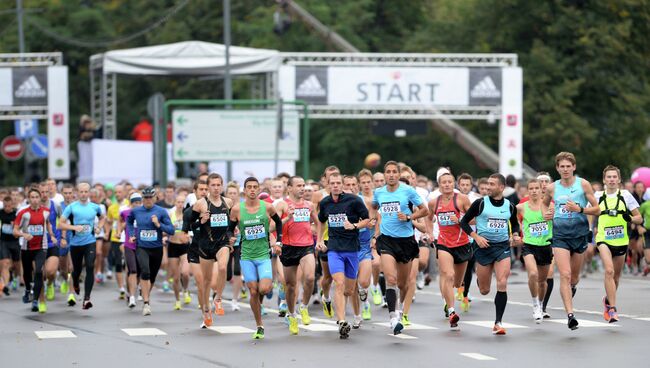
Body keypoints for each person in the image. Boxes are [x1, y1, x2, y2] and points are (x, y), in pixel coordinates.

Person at [542, 152, 599, 330]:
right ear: (557, 168)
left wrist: (579, 209)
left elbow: (597, 209)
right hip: (560, 236)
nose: (565, 169)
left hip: (579, 235)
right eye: (562, 166)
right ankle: (570, 315)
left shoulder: (583, 184)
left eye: (568, 166)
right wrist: (547, 213)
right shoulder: (552, 188)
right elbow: (544, 204)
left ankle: (572, 288)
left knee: (574, 277)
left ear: (573, 167)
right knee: (564, 275)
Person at [460, 173, 521, 335]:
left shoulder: (509, 205)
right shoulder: (480, 204)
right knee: (485, 290)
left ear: (501, 187)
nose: (488, 187)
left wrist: (515, 235)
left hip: (502, 247)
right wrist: (476, 237)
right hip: (483, 247)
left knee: (502, 282)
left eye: (492, 184)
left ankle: (498, 322)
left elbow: (515, 224)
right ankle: (481, 280)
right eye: (488, 184)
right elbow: (464, 222)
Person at [372, 161, 428, 335]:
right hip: (387, 240)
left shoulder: (408, 191)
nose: (390, 175)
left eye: (394, 172)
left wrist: (409, 217)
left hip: (406, 241)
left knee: (403, 284)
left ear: (398, 174)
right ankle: (393, 317)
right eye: (387, 172)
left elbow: (424, 210)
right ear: (384, 174)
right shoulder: (379, 192)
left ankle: (402, 309)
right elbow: (373, 209)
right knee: (391, 279)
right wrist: (375, 232)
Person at [229, 177, 284, 340]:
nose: (252, 190)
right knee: (253, 290)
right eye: (249, 187)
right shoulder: (237, 210)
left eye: (255, 187)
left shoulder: (267, 207)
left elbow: (279, 223)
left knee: (264, 289)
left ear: (259, 189)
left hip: (263, 255)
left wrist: (278, 241)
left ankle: (265, 290)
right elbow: (229, 229)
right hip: (246, 256)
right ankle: (259, 325)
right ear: (244, 190)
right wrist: (230, 238)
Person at [317, 173, 370, 338]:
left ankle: (349, 313)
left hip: (352, 250)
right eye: (332, 183)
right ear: (328, 184)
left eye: (338, 183)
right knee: (338, 284)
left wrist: (354, 225)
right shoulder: (325, 203)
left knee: (349, 289)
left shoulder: (354, 200)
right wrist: (320, 239)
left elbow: (367, 220)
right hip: (334, 250)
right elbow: (321, 220)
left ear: (342, 185)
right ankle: (341, 321)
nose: (335, 186)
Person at [594, 165, 642, 322]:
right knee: (609, 271)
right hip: (603, 239)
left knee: (616, 278)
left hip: (621, 241)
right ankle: (612, 310)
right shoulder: (598, 195)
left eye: (614, 177)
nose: (612, 180)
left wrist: (630, 218)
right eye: (609, 177)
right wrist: (589, 228)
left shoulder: (626, 195)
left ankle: (608, 300)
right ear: (604, 180)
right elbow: (589, 212)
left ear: (619, 180)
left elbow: (639, 218)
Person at [427, 172, 472, 330]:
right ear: (439, 185)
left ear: (454, 184)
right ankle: (452, 311)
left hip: (462, 243)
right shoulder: (434, 202)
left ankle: (452, 298)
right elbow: (428, 217)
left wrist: (460, 219)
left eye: (449, 182)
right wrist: (430, 233)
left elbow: (474, 218)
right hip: (444, 243)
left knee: (458, 282)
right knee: (448, 275)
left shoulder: (462, 199)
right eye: (443, 182)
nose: (446, 184)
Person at [277, 176, 319, 334]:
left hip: (306, 246)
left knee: (309, 278)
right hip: (288, 247)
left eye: (303, 185)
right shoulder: (282, 205)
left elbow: (317, 223)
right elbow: (273, 226)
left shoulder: (309, 205)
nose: (302, 188)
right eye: (299, 186)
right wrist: (287, 218)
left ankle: (304, 307)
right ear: (289, 188)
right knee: (290, 285)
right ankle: (292, 314)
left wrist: (319, 238)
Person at [192, 173, 234, 322]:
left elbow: (233, 223)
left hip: (222, 243)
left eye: (218, 185)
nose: (216, 188)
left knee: (222, 267)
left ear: (222, 186)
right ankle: (205, 309)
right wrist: (201, 220)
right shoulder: (200, 204)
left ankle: (218, 298)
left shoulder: (228, 202)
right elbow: (190, 225)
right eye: (213, 185)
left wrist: (233, 235)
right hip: (205, 245)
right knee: (206, 281)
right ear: (208, 186)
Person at [127, 187, 175, 316]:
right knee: (145, 272)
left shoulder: (161, 211)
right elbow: (129, 222)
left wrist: (159, 225)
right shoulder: (136, 211)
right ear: (142, 199)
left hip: (157, 248)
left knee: (152, 276)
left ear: (155, 198)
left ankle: (145, 292)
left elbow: (171, 230)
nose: (148, 200)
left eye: (150, 197)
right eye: (145, 198)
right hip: (142, 247)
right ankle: (146, 303)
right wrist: (131, 234)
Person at [59, 183, 105, 310]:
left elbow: (102, 218)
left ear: (89, 192)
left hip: (90, 241)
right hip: (75, 244)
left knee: (90, 266)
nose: (84, 194)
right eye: (81, 192)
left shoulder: (95, 207)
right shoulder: (71, 207)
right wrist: (73, 227)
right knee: (77, 270)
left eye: (86, 192)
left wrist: (99, 227)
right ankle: (75, 283)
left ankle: (87, 299)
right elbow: (60, 224)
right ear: (77, 193)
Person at [14, 188, 57, 312]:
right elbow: (15, 231)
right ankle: (28, 289)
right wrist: (23, 235)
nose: (34, 199)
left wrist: (52, 235)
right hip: (27, 248)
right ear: (28, 199)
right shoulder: (23, 213)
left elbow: (48, 223)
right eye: (32, 197)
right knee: (27, 273)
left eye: (36, 197)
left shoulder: (46, 211)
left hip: (41, 247)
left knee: (39, 271)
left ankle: (35, 300)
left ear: (39, 198)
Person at [516, 179, 553, 323]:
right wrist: (514, 233)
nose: (534, 191)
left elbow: (560, 219)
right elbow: (508, 215)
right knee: (532, 274)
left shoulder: (549, 206)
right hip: (529, 245)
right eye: (531, 188)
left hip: (545, 245)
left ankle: (541, 303)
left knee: (543, 282)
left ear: (541, 190)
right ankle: (535, 304)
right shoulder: (521, 207)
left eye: (536, 188)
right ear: (527, 191)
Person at [117, 192, 142, 308]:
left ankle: (132, 290)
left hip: (141, 246)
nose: (137, 205)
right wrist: (118, 232)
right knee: (132, 270)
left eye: (139, 202)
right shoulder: (126, 212)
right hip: (129, 245)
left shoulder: (144, 213)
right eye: (135, 203)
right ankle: (132, 297)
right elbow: (120, 221)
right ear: (131, 204)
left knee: (139, 272)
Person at [168, 194, 191, 310]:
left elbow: (191, 230)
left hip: (184, 246)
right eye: (178, 202)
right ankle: (177, 300)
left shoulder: (187, 214)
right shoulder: (170, 215)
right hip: (173, 246)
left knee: (185, 272)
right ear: (175, 203)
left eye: (182, 202)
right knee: (176, 277)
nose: (180, 204)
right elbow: (166, 229)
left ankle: (185, 290)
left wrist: (189, 235)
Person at [105, 184, 128, 300]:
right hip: (116, 238)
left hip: (129, 238)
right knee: (118, 264)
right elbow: (108, 222)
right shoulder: (112, 208)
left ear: (124, 192)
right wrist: (106, 233)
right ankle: (121, 289)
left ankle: (131, 286)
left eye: (120, 192)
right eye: (116, 192)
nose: (118, 194)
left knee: (129, 265)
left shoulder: (130, 205)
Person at [0, 196, 19, 296]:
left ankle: (16, 278)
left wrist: (15, 226)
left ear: (12, 205)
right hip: (4, 241)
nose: (7, 208)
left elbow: (20, 228)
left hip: (15, 242)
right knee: (5, 263)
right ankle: (5, 285)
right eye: (5, 206)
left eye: (9, 206)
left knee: (16, 265)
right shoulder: (1, 213)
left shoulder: (17, 213)